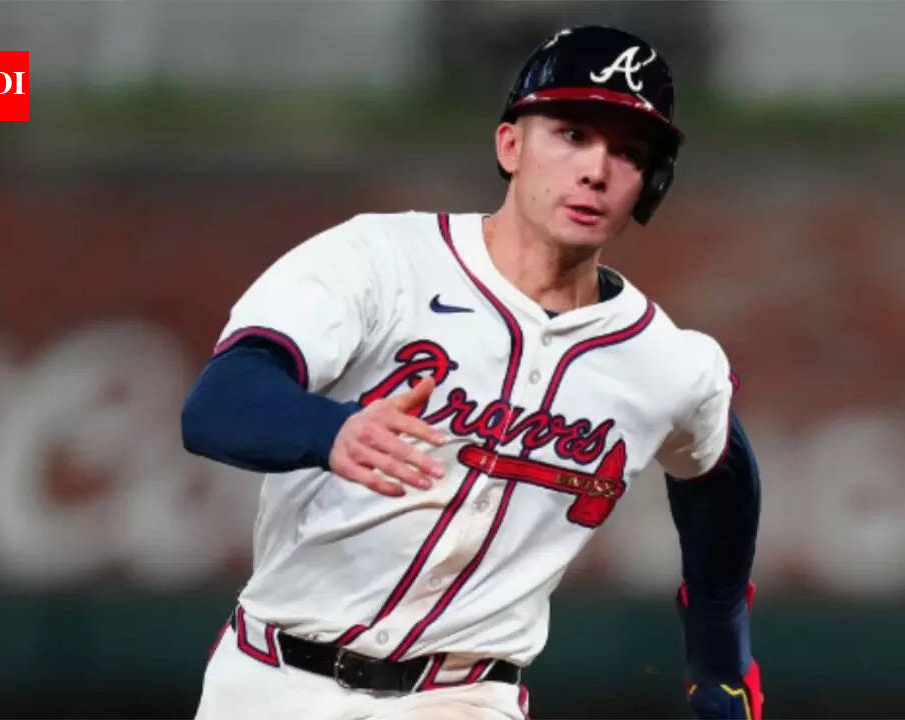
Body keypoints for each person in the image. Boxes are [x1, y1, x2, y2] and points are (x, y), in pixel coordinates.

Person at [182, 25, 762, 720]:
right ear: (510, 144)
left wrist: (720, 655)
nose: (596, 170)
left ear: (650, 184)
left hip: (465, 694)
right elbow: (218, 401)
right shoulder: (380, 261)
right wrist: (329, 429)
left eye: (629, 152)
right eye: (573, 134)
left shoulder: (667, 362)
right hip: (272, 681)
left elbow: (721, 478)